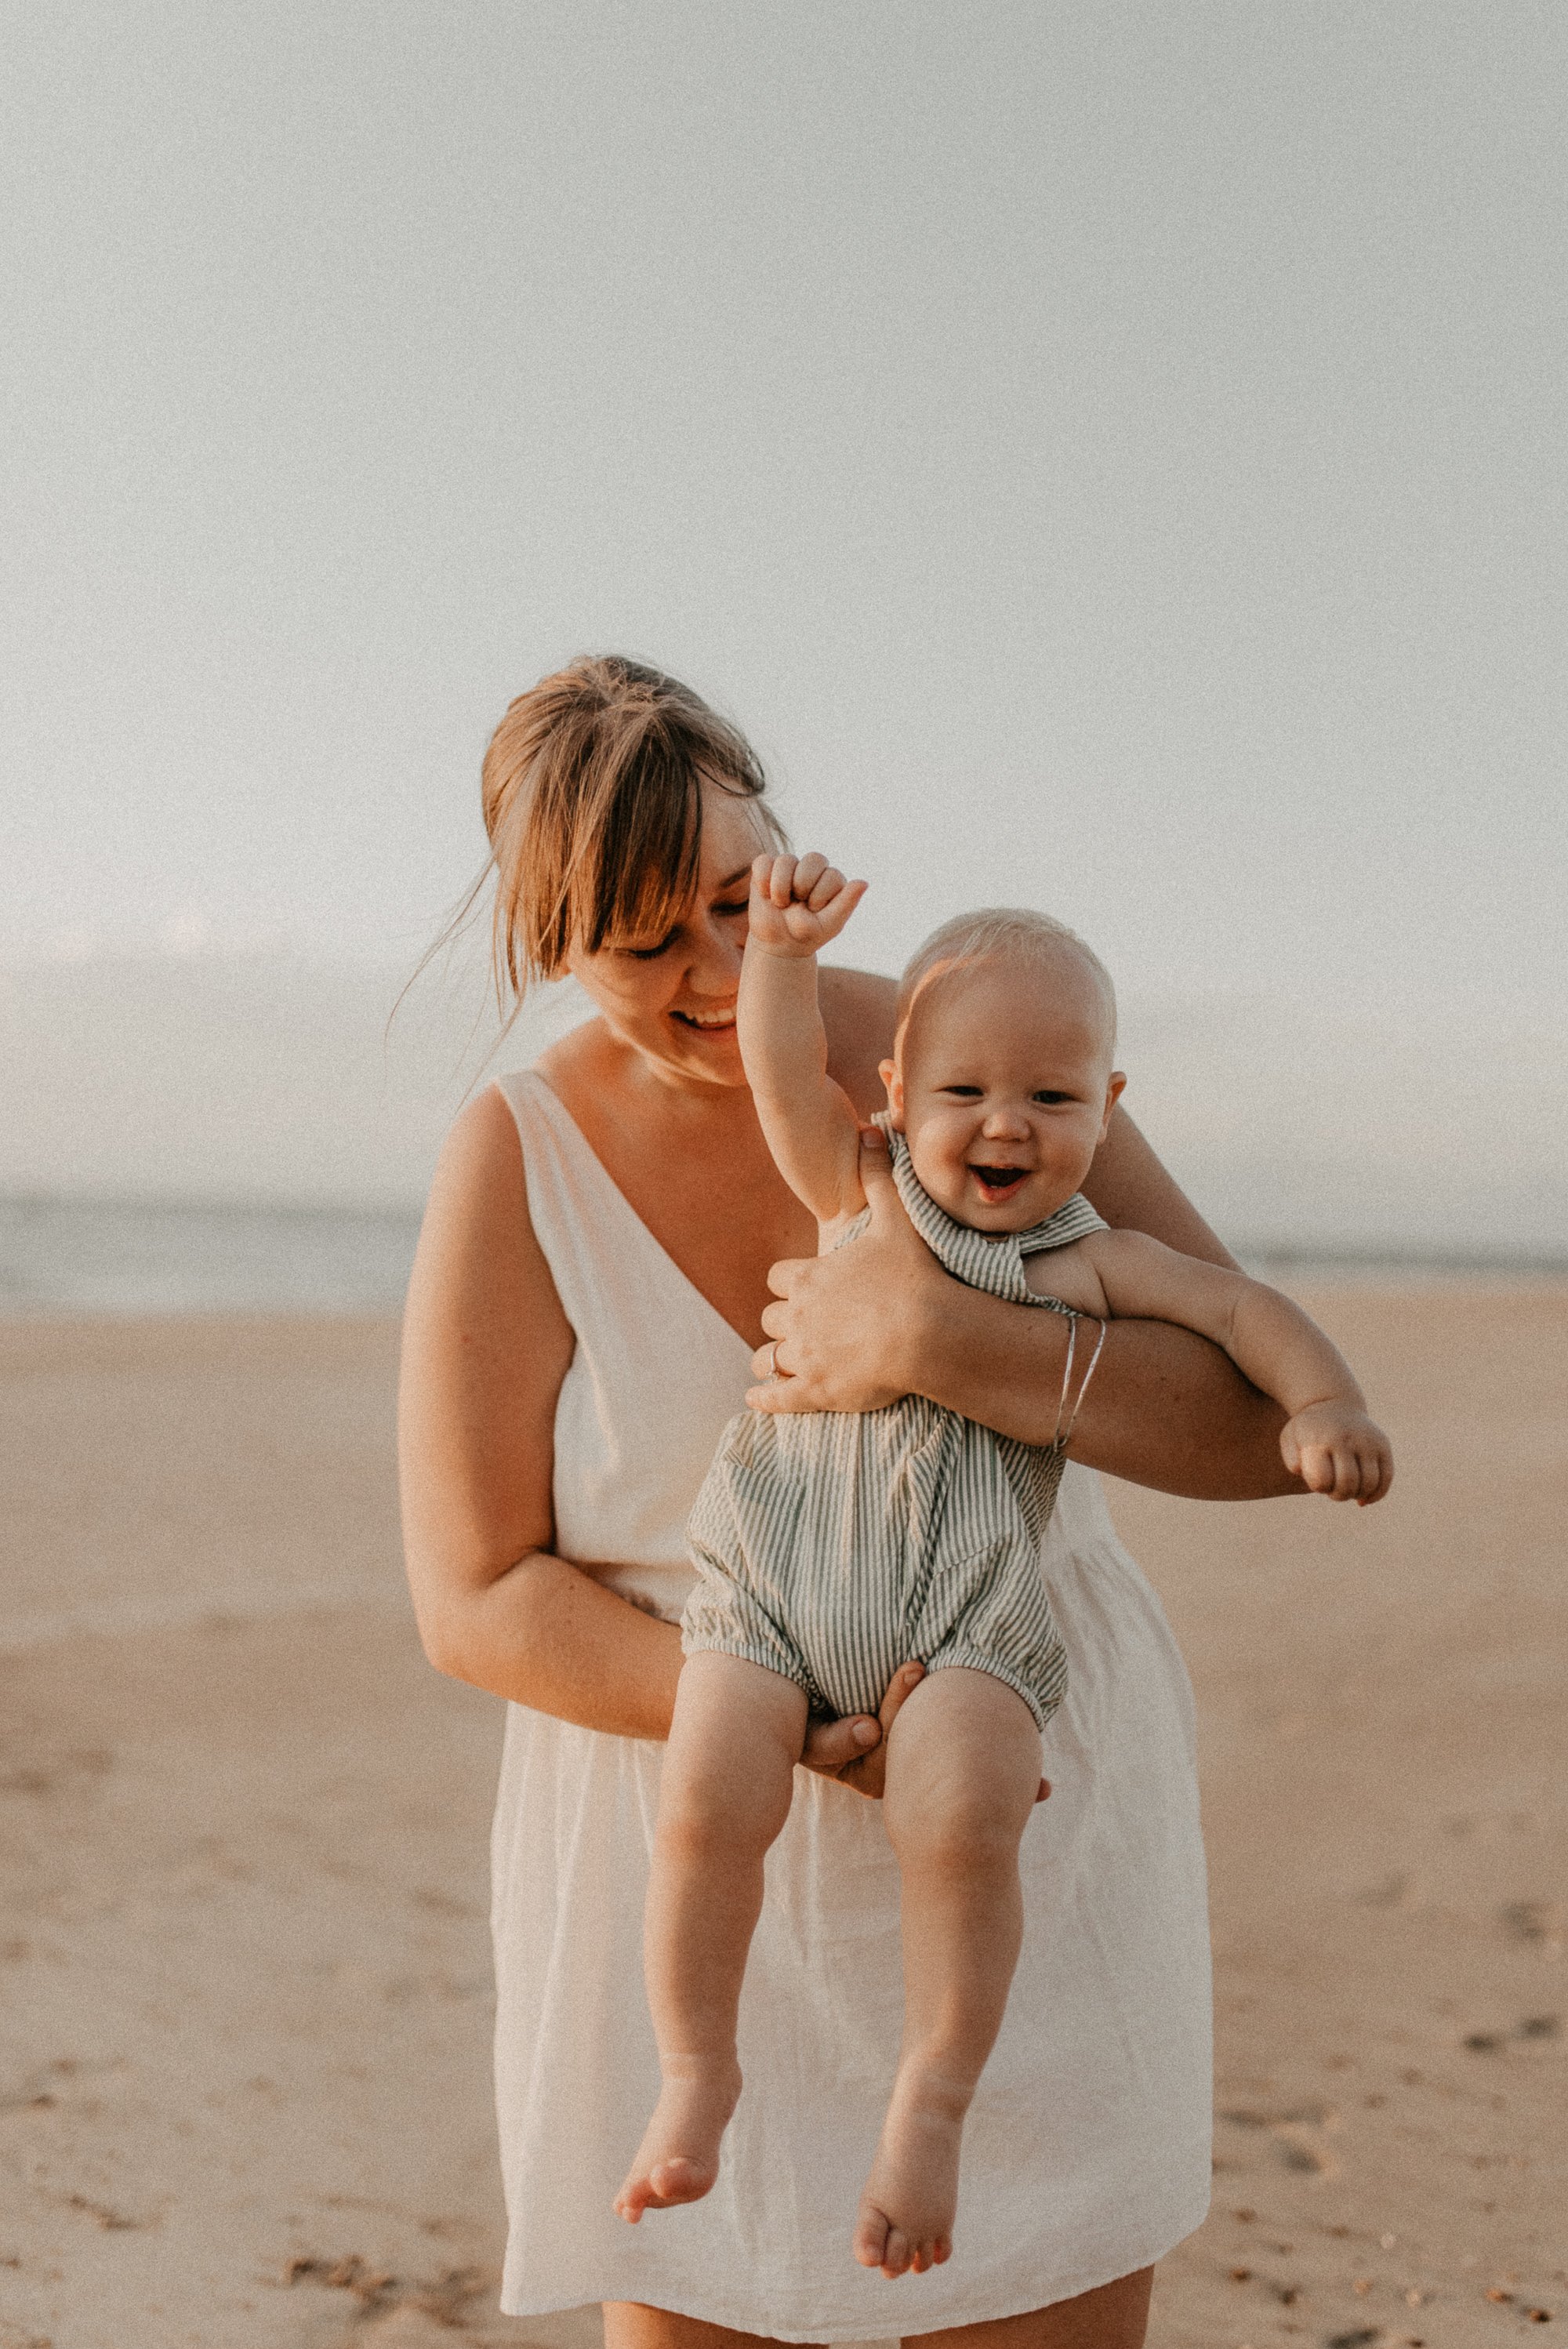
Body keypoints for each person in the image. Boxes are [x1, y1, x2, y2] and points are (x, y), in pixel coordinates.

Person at [397, 655, 1310, 2349]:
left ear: (793, 858)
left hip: (1018, 1793)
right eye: (640, 938)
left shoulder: (972, 1047)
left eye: (742, 899)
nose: (716, 968)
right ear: (546, 933)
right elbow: (473, 1588)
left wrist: (950, 1338)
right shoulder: (515, 1150)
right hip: (695, 1842)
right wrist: (790, 1713)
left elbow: (1259, 1421)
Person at [615, 861, 1392, 2278]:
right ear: (900, 1090)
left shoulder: (1088, 1262)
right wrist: (779, 954)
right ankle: (695, 2067)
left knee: (969, 1820)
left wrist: (1324, 1402)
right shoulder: (860, 1188)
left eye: (1053, 1096)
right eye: (966, 1090)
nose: (1004, 1125)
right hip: (776, 1592)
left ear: (1108, 1108)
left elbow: (1240, 1306)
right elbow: (783, 1076)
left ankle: (933, 2096)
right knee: (704, 1802)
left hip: (964, 1615)